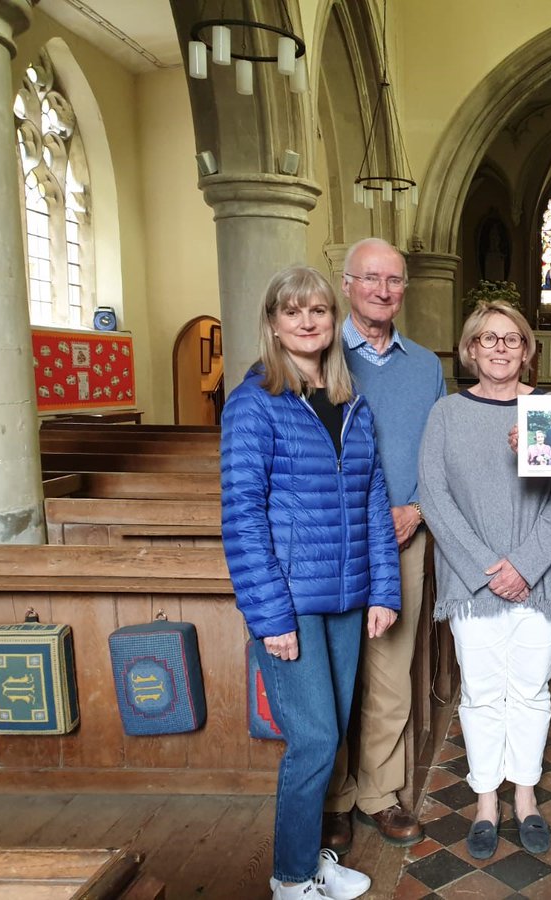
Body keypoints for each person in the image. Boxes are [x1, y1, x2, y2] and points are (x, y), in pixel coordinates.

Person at [220, 266, 401, 900]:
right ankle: (291, 877)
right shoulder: (253, 402)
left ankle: (307, 857)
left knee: (332, 735)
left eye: (318, 310)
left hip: (348, 598)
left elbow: (374, 500)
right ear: (272, 322)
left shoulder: (351, 401)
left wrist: (384, 589)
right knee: (315, 738)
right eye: (292, 311)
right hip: (291, 603)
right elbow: (241, 516)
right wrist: (270, 618)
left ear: (332, 320)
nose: (307, 321)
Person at [418, 300, 551, 861]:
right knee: (483, 693)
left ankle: (526, 798)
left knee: (531, 689)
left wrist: (525, 566)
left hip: (540, 577)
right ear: (470, 349)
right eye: (488, 339)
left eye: (512, 339)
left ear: (528, 350)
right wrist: (489, 569)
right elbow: (434, 497)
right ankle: (486, 801)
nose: (500, 348)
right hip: (472, 580)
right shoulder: (445, 414)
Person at [323, 238, 446, 851]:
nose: (382, 290)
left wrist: (418, 508)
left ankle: (377, 793)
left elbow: (438, 453)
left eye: (394, 280)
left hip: (404, 537)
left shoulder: (425, 366)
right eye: (370, 278)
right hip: (335, 545)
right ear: (346, 284)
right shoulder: (318, 357)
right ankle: (334, 798)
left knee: (392, 674)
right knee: (339, 677)